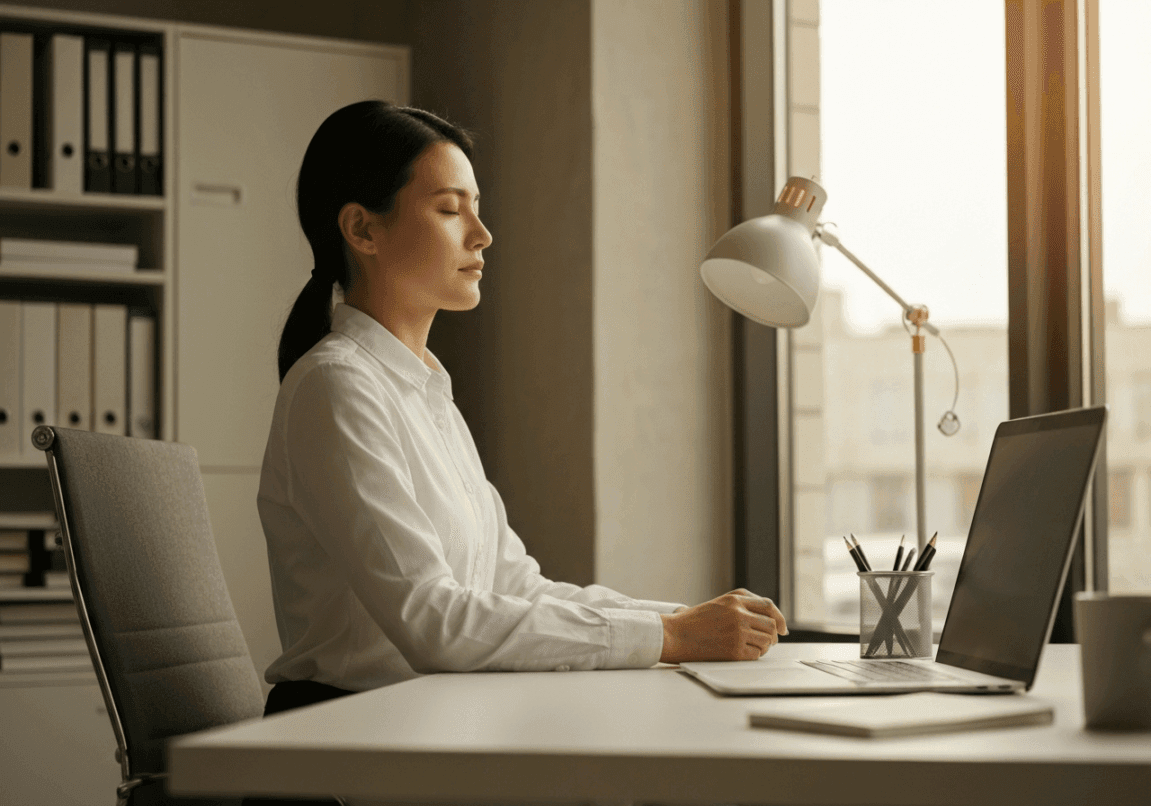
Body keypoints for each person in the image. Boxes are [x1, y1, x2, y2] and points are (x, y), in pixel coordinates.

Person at [257, 100, 788, 717]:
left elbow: (514, 587)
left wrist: (681, 620)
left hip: (434, 724)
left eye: (477, 210)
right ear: (363, 229)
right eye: (451, 210)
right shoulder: (336, 387)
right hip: (347, 739)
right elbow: (434, 621)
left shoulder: (424, 393)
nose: (482, 235)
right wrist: (670, 638)